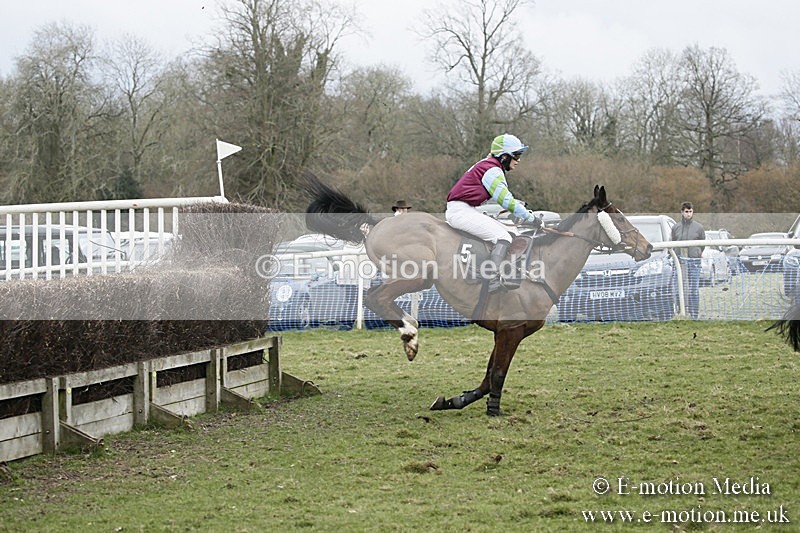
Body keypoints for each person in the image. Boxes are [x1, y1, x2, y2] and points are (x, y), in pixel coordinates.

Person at [446, 133, 541, 293]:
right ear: (504, 157)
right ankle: (492, 279)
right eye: (516, 156)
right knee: (503, 237)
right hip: (460, 211)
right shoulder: (492, 170)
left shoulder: (488, 165)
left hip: (466, 209)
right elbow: (506, 201)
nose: (518, 160)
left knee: (512, 232)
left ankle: (506, 273)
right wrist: (531, 218)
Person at [670, 201, 705, 319]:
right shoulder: (676, 228)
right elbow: (672, 243)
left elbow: (702, 244)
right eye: (686, 211)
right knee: (678, 288)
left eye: (690, 211)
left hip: (694, 262)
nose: (688, 214)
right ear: (682, 212)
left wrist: (697, 253)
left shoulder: (699, 228)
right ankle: (680, 311)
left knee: (694, 289)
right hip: (679, 262)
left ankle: (694, 314)